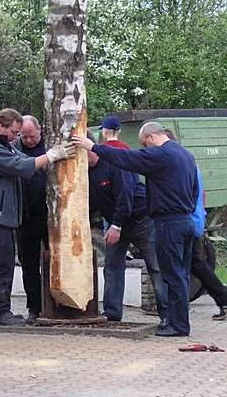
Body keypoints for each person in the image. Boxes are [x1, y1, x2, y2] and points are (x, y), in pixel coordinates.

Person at [73, 122, 198, 337]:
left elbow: (128, 159)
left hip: (164, 222)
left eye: (144, 144)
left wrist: (93, 147)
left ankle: (176, 324)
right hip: (184, 219)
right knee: (180, 274)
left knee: (169, 273)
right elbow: (195, 189)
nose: (145, 148)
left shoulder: (161, 154)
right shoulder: (185, 154)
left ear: (151, 138)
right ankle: (176, 321)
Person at [0, 108, 75, 326]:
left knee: (5, 264)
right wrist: (52, 155)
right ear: (1, 126)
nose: (17, 137)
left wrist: (49, 157)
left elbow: (26, 160)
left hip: (2, 217)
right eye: (15, 132)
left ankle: (1, 310)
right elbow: (19, 166)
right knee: (0, 265)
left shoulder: (3, 145)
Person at [85, 135, 168, 327]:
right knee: (112, 266)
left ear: (89, 149)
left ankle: (167, 314)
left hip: (140, 220)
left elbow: (125, 198)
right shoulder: (86, 172)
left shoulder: (114, 164)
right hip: (115, 221)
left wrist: (116, 226)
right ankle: (112, 313)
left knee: (156, 266)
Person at [163, 129, 227, 321]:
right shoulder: (188, 162)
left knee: (190, 266)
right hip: (194, 220)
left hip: (188, 221)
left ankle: (223, 299)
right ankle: (225, 298)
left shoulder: (178, 164)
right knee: (196, 265)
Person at [12, 115, 48, 324]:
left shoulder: (50, 145)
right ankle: (34, 307)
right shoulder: (15, 149)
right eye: (24, 137)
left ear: (39, 130)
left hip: (48, 215)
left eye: (32, 136)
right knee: (29, 265)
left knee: (54, 261)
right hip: (25, 217)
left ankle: (56, 303)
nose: (29, 140)